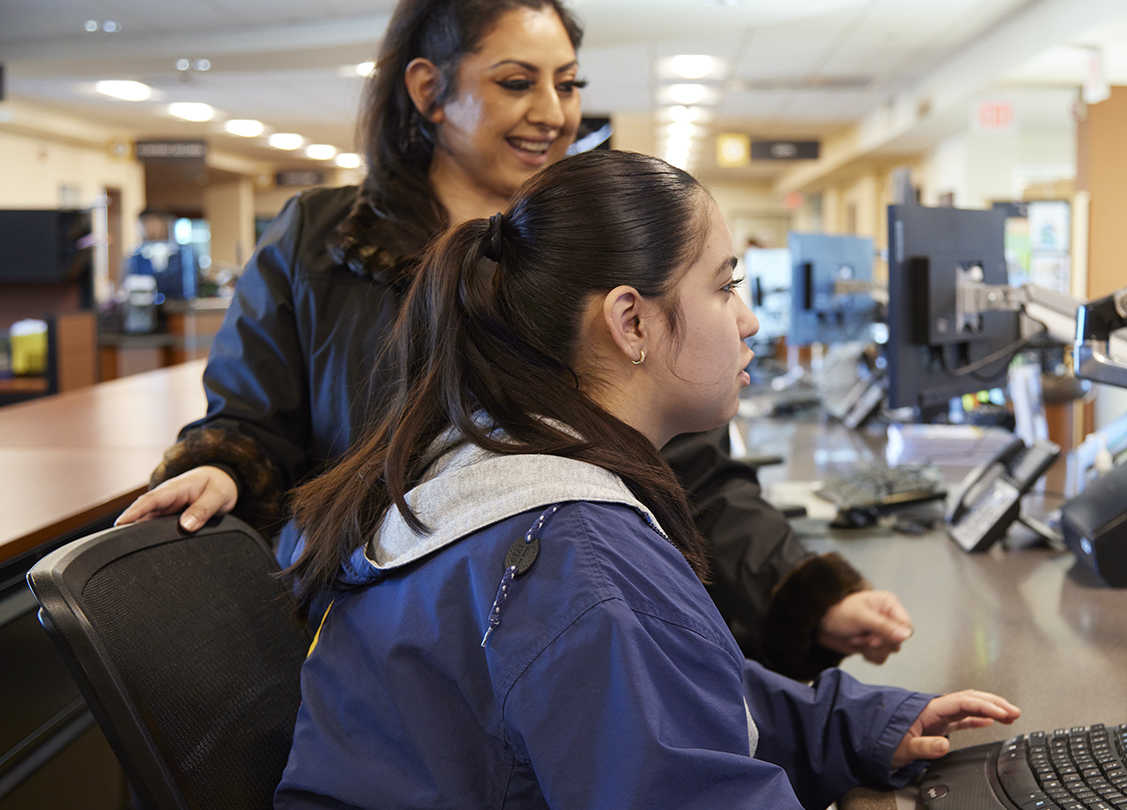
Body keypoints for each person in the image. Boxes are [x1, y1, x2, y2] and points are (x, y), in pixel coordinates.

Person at [115, 0, 911, 681]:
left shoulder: (582, 252)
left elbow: (687, 468)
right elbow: (253, 418)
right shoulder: (319, 240)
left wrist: (806, 592)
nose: (555, 112)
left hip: (556, 629)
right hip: (382, 644)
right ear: (430, 90)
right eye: (516, 82)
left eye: (567, 84)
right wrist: (220, 466)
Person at [273, 150, 1019, 809]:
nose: (750, 320)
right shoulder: (578, 555)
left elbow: (669, 690)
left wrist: (856, 728)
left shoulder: (488, 465)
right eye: (725, 288)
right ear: (631, 322)